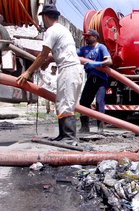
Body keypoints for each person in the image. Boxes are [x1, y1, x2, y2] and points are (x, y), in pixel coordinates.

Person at [17, 4, 83, 145]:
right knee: (63, 103)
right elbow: (60, 52)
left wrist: (28, 72)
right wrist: (48, 61)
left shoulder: (51, 31)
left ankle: (69, 138)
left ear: (45, 17)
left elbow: (42, 55)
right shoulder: (62, 30)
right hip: (72, 69)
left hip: (68, 69)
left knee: (65, 104)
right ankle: (63, 135)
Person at [77, 29, 112, 133]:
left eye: (88, 36)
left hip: (101, 79)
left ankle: (100, 128)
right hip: (90, 79)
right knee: (83, 102)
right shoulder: (84, 49)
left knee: (99, 102)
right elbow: (72, 54)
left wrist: (96, 64)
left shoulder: (101, 47)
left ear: (95, 37)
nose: (86, 38)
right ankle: (84, 127)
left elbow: (109, 61)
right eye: (85, 36)